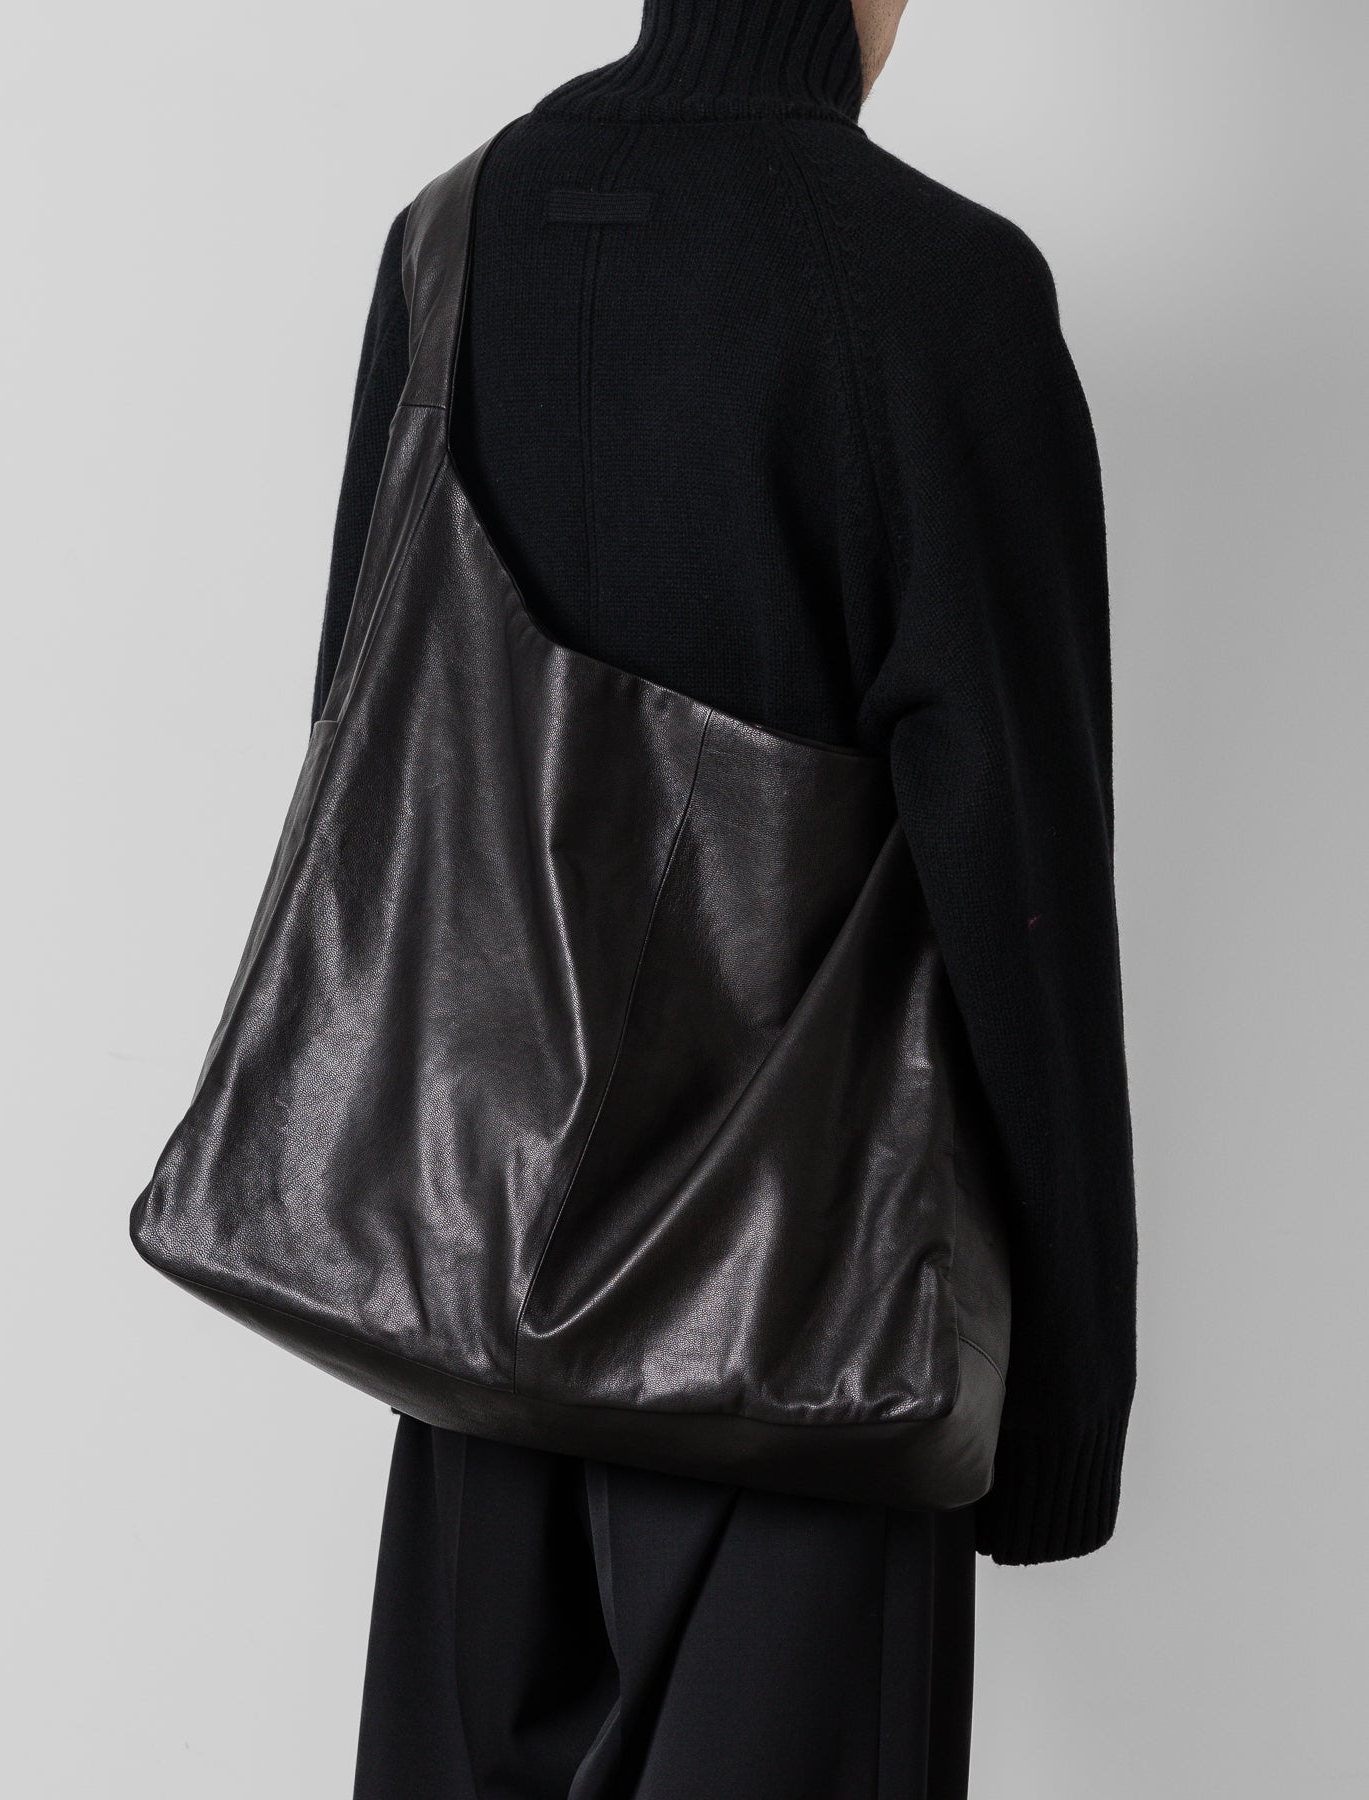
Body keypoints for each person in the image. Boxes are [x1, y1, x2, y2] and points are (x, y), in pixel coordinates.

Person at [311, 2, 1138, 1794]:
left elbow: (364, 774)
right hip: (808, 1342)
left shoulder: (451, 244)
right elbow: (1025, 892)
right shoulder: (943, 288)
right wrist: (1068, 1400)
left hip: (475, 1332)